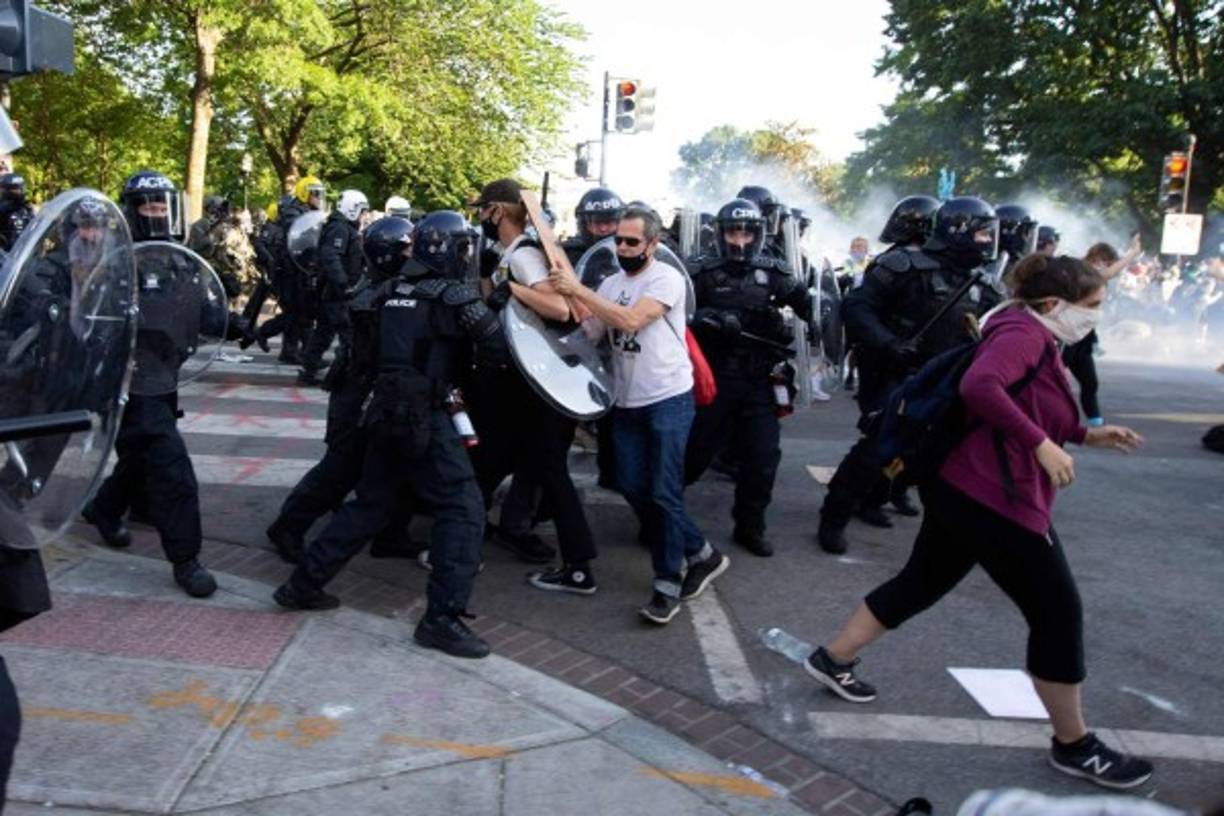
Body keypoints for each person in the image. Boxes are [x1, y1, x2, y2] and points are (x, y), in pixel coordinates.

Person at [803, 253, 1153, 791]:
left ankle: (833, 657)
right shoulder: (1023, 334)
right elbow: (982, 388)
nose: (1096, 317)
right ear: (1054, 304)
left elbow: (1026, 401)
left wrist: (1084, 435)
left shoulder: (1025, 326)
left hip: (964, 487)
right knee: (1058, 612)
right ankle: (1074, 745)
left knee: (922, 581)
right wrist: (1041, 445)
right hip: (995, 496)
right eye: (1093, 307)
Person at [274, 210, 508, 659]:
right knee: (463, 508)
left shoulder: (383, 292)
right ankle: (441, 619)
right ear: (447, 249)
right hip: (428, 412)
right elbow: (494, 345)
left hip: (381, 408)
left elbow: (366, 345)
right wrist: (493, 304)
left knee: (371, 503)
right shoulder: (454, 296)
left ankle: (303, 583)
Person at [550, 206, 727, 624]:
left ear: (653, 243)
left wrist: (579, 290)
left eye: (632, 241)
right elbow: (595, 333)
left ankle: (667, 583)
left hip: (667, 396)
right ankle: (701, 552)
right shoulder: (610, 283)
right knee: (631, 484)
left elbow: (631, 319)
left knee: (664, 492)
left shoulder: (665, 278)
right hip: (627, 401)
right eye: (619, 241)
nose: (623, 248)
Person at [82, 170, 241, 598]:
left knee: (140, 455)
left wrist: (239, 323)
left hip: (165, 379)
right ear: (131, 212)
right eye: (147, 205)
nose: (156, 213)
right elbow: (92, 324)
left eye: (161, 204)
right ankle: (186, 560)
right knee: (172, 472)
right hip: (129, 384)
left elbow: (203, 314)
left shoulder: (179, 260)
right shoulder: (113, 263)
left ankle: (105, 507)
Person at [817, 197, 1003, 555]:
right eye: (981, 233)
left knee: (922, 454)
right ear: (957, 230)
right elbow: (857, 308)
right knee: (874, 449)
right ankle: (834, 517)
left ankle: (874, 500)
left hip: (944, 382)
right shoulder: (904, 266)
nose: (986, 241)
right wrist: (889, 344)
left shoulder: (981, 282)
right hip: (896, 372)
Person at [464, 178, 598, 594]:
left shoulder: (522, 256)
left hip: (538, 384)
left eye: (483, 210)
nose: (480, 217)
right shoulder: (510, 253)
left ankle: (578, 566)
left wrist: (512, 287)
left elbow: (560, 308)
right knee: (500, 461)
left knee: (540, 469)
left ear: (497, 212)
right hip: (531, 380)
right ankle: (463, 542)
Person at [265, 216, 417, 563]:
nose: (412, 254)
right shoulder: (375, 295)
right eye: (405, 248)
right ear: (386, 253)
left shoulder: (387, 287)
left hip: (369, 394)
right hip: (359, 396)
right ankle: (288, 527)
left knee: (399, 467)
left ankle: (392, 533)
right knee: (339, 470)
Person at [683, 199, 812, 558]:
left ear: (758, 234)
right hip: (713, 378)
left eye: (746, 232)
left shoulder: (774, 271)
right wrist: (705, 318)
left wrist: (790, 324)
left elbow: (812, 309)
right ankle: (661, 518)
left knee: (762, 457)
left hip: (758, 379)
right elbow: (674, 311)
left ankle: (750, 526)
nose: (739, 240)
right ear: (720, 233)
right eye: (732, 231)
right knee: (693, 456)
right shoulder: (700, 271)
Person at [245, 176, 327, 363]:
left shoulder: (307, 211)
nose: (318, 198)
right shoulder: (293, 212)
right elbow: (297, 236)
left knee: (301, 313)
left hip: (300, 270)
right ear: (305, 193)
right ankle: (266, 333)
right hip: (290, 272)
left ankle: (291, 352)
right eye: (316, 194)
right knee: (298, 313)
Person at [1066, 236, 1142, 425]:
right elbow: (1105, 275)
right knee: (1051, 382)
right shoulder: (1080, 273)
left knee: (1090, 383)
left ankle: (1096, 423)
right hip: (1065, 336)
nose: (1103, 265)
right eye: (1100, 260)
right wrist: (1131, 254)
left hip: (1083, 339)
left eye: (1107, 262)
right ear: (1091, 257)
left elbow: (1108, 275)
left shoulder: (1097, 278)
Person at [298, 189, 367, 385]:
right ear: (352, 210)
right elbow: (331, 258)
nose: (364, 216)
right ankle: (344, 374)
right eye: (362, 211)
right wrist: (344, 285)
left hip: (335, 291)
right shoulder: (340, 229)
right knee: (348, 334)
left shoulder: (342, 227)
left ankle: (309, 369)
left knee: (325, 332)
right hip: (338, 293)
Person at [561, 186, 624, 267]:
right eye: (596, 222)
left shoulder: (631, 251)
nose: (603, 228)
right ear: (584, 224)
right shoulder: (568, 255)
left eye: (609, 222)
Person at [0, 173, 35, 253]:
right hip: (7, 258)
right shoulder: (3, 209)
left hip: (25, 255)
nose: (20, 191)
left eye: (21, 188)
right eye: (16, 189)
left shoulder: (26, 209)